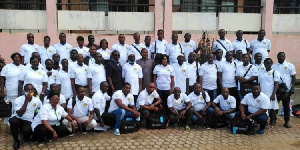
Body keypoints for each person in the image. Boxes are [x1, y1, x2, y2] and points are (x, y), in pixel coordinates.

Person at [9, 84, 42, 149]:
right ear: (24, 91)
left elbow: (42, 109)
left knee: (27, 132)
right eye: (28, 89)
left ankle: (24, 134)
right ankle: (16, 141)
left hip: (28, 120)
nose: (30, 91)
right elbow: (20, 113)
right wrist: (26, 101)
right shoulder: (18, 99)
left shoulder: (37, 100)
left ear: (34, 90)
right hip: (18, 118)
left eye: (31, 89)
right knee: (13, 121)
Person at [272, 52, 296, 128]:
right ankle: (273, 120)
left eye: (282, 56)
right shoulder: (274, 66)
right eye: (279, 56)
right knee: (275, 105)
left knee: (286, 106)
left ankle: (287, 121)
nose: (281, 57)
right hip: (276, 89)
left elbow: (293, 77)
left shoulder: (290, 65)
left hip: (286, 89)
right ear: (277, 57)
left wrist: (292, 88)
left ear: (285, 57)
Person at [0, 53, 24, 124]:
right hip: (9, 92)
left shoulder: (23, 67)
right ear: (12, 59)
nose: (17, 59)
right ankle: (9, 125)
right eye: (15, 57)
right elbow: (2, 79)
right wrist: (2, 91)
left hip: (20, 93)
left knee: (18, 108)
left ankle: (17, 125)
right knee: (9, 108)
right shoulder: (7, 67)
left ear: (20, 59)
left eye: (18, 57)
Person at [258, 58, 279, 127]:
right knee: (263, 108)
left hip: (271, 93)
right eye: (266, 63)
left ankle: (272, 122)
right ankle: (265, 122)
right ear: (264, 64)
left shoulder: (274, 72)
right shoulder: (261, 73)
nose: (268, 64)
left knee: (272, 108)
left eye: (269, 63)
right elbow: (259, 83)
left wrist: (273, 94)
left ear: (272, 64)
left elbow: (276, 84)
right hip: (262, 94)